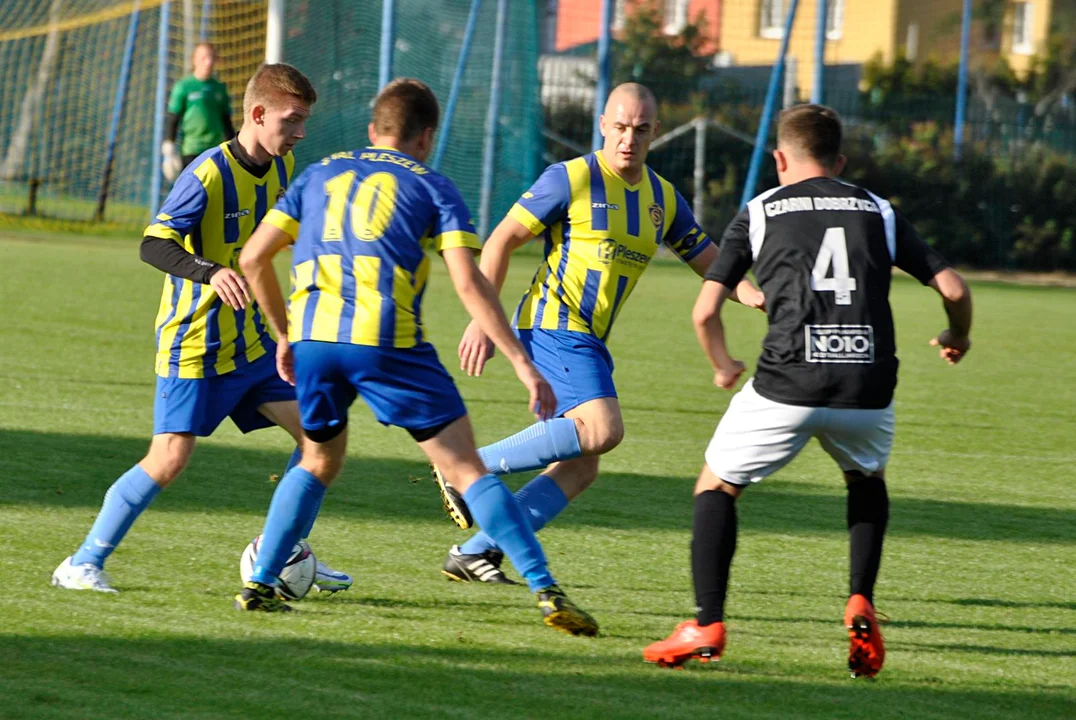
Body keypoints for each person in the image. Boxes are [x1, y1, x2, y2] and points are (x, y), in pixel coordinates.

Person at [232, 77, 599, 636]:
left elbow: (254, 257)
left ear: (373, 129)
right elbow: (469, 283)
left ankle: (260, 583)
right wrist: (522, 363)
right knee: (466, 467)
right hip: (387, 340)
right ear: (427, 136)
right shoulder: (434, 186)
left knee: (317, 460)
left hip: (313, 341)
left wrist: (283, 334)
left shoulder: (317, 173)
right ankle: (547, 590)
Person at [642, 104, 973, 678]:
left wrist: (722, 364)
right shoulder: (878, 210)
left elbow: (704, 311)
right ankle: (859, 601)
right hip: (866, 385)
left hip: (787, 383)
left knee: (716, 485)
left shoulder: (761, 210)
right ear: (839, 162)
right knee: (865, 480)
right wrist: (956, 334)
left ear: (779, 158)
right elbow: (953, 286)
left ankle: (708, 622)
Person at [432, 82, 764, 585]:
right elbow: (501, 241)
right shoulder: (570, 178)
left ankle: (477, 551)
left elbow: (710, 263)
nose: (629, 138)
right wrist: (484, 317)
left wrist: (757, 294)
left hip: (590, 338)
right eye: (621, 127)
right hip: (553, 321)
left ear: (655, 132)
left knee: (582, 465)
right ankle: (466, 467)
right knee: (603, 430)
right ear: (603, 126)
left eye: (641, 129)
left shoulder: (662, 199)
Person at [52, 63, 352, 595]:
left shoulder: (284, 168)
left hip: (253, 342)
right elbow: (153, 243)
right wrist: (210, 272)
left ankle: (283, 552)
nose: (301, 132)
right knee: (169, 458)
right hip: (196, 344)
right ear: (258, 114)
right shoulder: (208, 173)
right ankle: (82, 561)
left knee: (319, 437)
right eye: (293, 119)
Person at [162, 43, 237, 180]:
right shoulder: (183, 87)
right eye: (203, 58)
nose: (208, 62)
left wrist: (234, 149)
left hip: (215, 151)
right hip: (191, 150)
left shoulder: (219, 88)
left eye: (211, 57)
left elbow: (227, 122)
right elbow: (174, 119)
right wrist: (169, 145)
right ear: (194, 60)